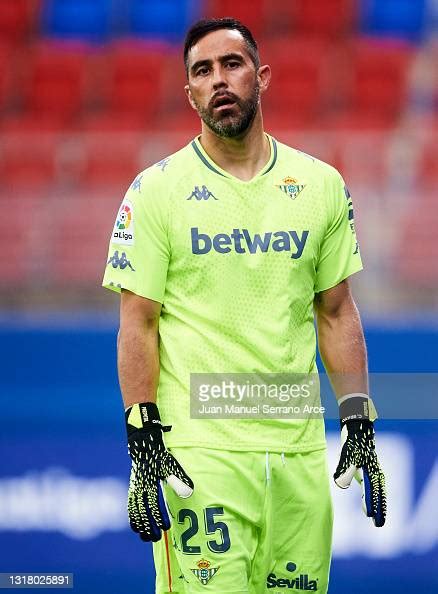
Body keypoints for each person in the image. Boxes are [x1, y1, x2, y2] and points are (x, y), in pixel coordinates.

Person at [102, 17, 386, 594]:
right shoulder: (156, 191)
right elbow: (138, 322)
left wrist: (356, 414)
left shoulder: (321, 185)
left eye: (231, 65)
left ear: (262, 75)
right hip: (201, 456)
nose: (218, 81)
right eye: (202, 72)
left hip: (298, 451)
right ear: (189, 94)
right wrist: (142, 434)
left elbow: (335, 311)